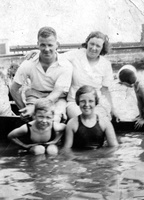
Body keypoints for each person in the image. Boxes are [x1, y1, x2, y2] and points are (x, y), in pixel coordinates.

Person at [10, 27, 73, 127]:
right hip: (35, 95)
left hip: (56, 98)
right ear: (38, 44)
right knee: (37, 121)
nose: (46, 49)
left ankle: (54, 141)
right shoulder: (29, 63)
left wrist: (34, 107)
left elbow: (56, 93)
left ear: (57, 45)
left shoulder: (66, 65)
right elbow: (14, 88)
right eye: (43, 45)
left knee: (53, 119)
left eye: (50, 45)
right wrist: (24, 110)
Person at [64, 31, 118, 120]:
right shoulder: (75, 55)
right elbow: (56, 58)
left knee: (101, 123)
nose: (93, 48)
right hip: (75, 102)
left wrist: (112, 109)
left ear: (102, 48)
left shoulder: (106, 64)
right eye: (91, 44)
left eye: (98, 46)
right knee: (86, 121)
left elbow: (105, 90)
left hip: (96, 103)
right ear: (87, 43)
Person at [63, 85, 118, 150]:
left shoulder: (105, 123)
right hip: (79, 158)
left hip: (99, 158)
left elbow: (114, 147)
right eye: (82, 101)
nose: (86, 105)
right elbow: (67, 150)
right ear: (78, 102)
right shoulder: (72, 124)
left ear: (96, 102)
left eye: (91, 101)